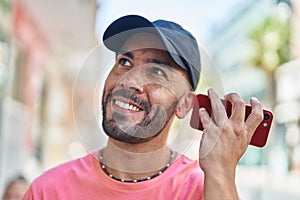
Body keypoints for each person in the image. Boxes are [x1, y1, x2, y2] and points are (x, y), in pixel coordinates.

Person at [22, 15, 264, 200]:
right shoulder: (47, 190)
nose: (129, 81)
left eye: (157, 71)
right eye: (125, 62)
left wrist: (221, 172)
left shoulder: (204, 189)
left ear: (184, 104)